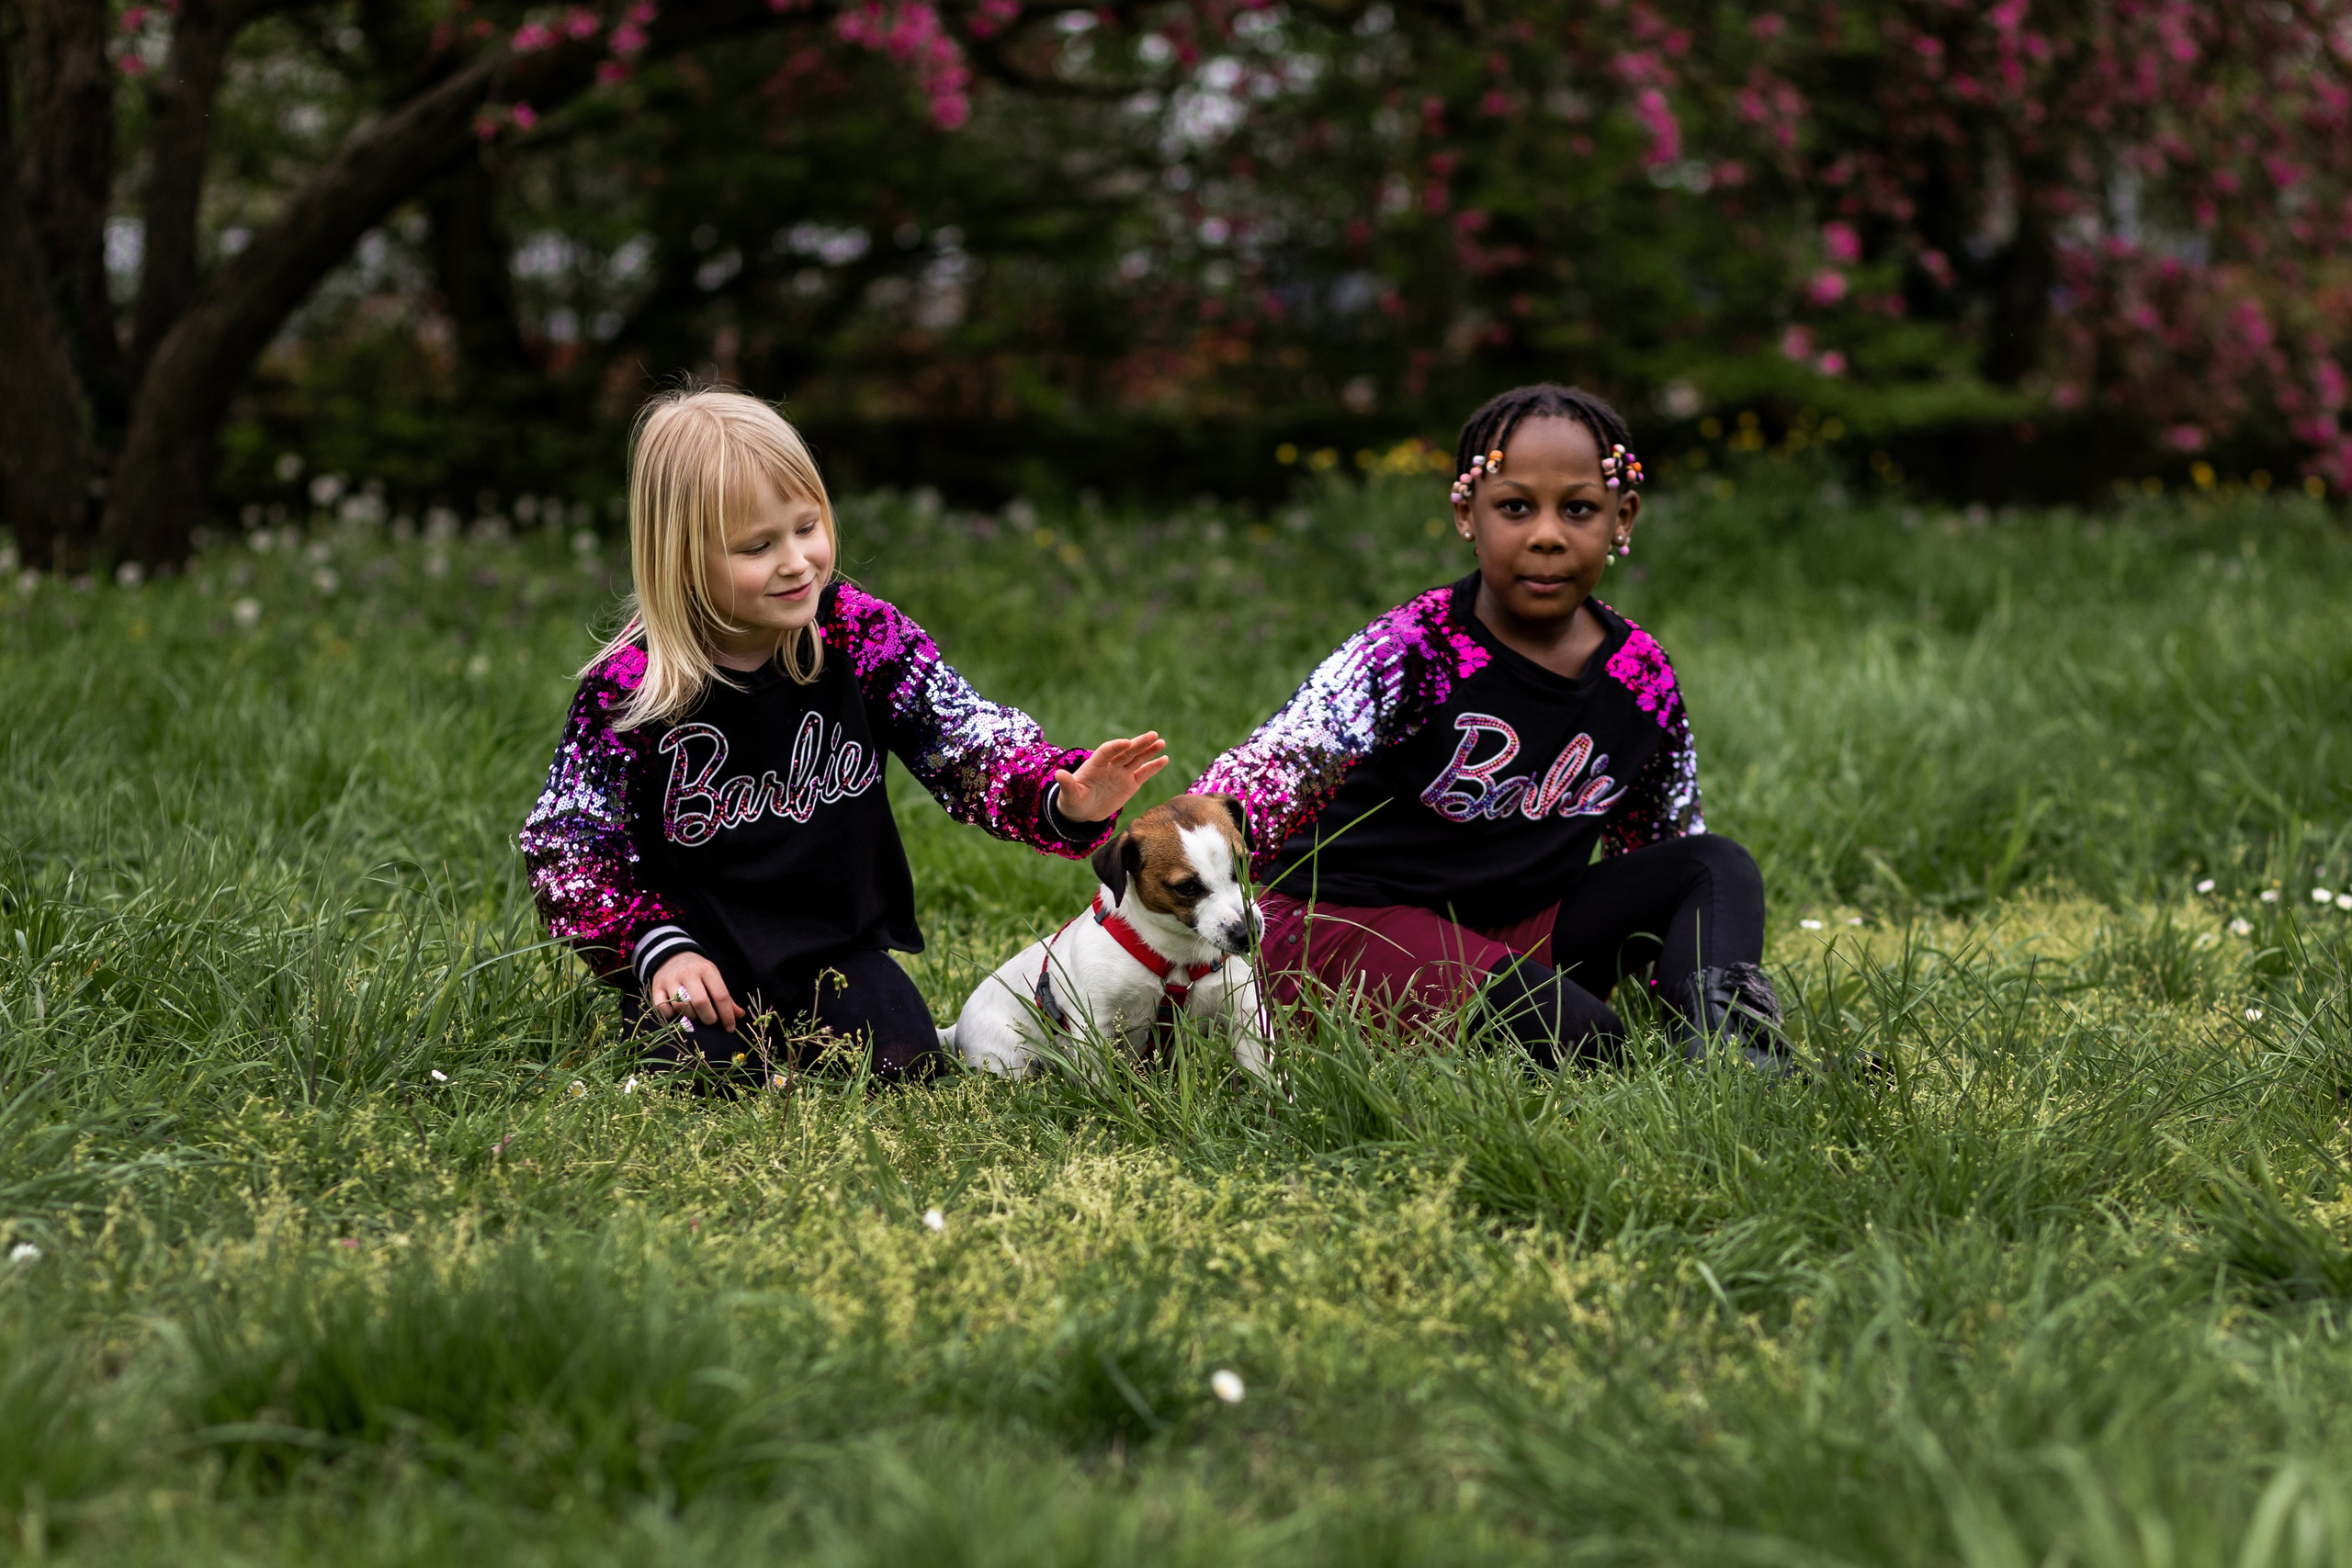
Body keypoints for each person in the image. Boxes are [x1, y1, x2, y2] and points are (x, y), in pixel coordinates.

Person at [521, 389, 1167, 1083]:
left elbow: (957, 730)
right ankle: (694, 1027)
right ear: (682, 558)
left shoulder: (856, 632)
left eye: (807, 527)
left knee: (904, 1059)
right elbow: (566, 843)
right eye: (758, 546)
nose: (797, 561)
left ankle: (819, 1035)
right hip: (699, 958)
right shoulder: (630, 685)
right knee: (706, 1074)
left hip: (832, 945)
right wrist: (655, 946)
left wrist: (1059, 794)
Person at [1192, 384, 1785, 1070]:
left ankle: (1736, 1062)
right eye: (1515, 507)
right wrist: (1173, 902)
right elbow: (1268, 770)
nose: (1547, 533)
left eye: (1580, 509)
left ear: (1623, 518)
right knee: (1587, 1034)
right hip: (1344, 925)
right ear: (1466, 515)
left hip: (1512, 930)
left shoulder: (1639, 676)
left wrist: (1677, 981)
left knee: (1714, 866)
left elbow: (1660, 844)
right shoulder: (1415, 648)